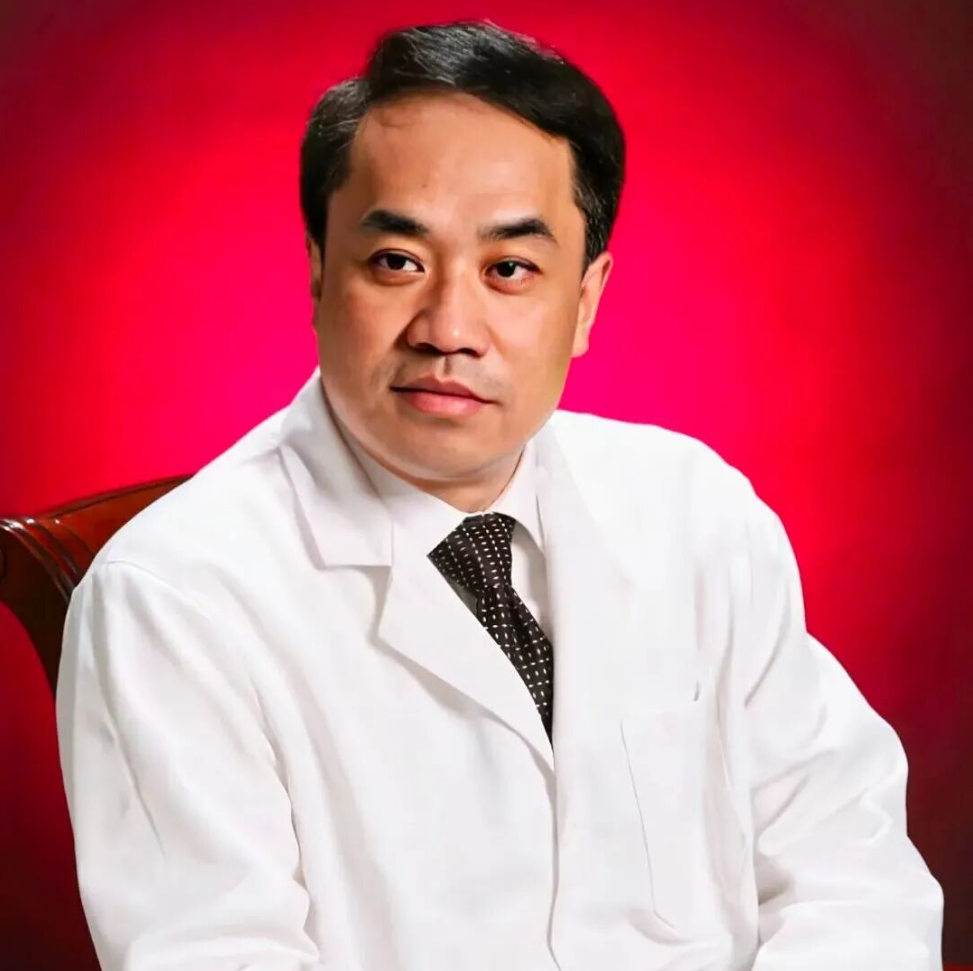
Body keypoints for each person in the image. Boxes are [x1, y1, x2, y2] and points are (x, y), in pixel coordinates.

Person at [56, 18, 943, 971]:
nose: (448, 327)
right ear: (317, 270)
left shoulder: (695, 511)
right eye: (397, 262)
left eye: (509, 269)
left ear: (586, 300)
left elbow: (848, 865)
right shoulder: (174, 596)